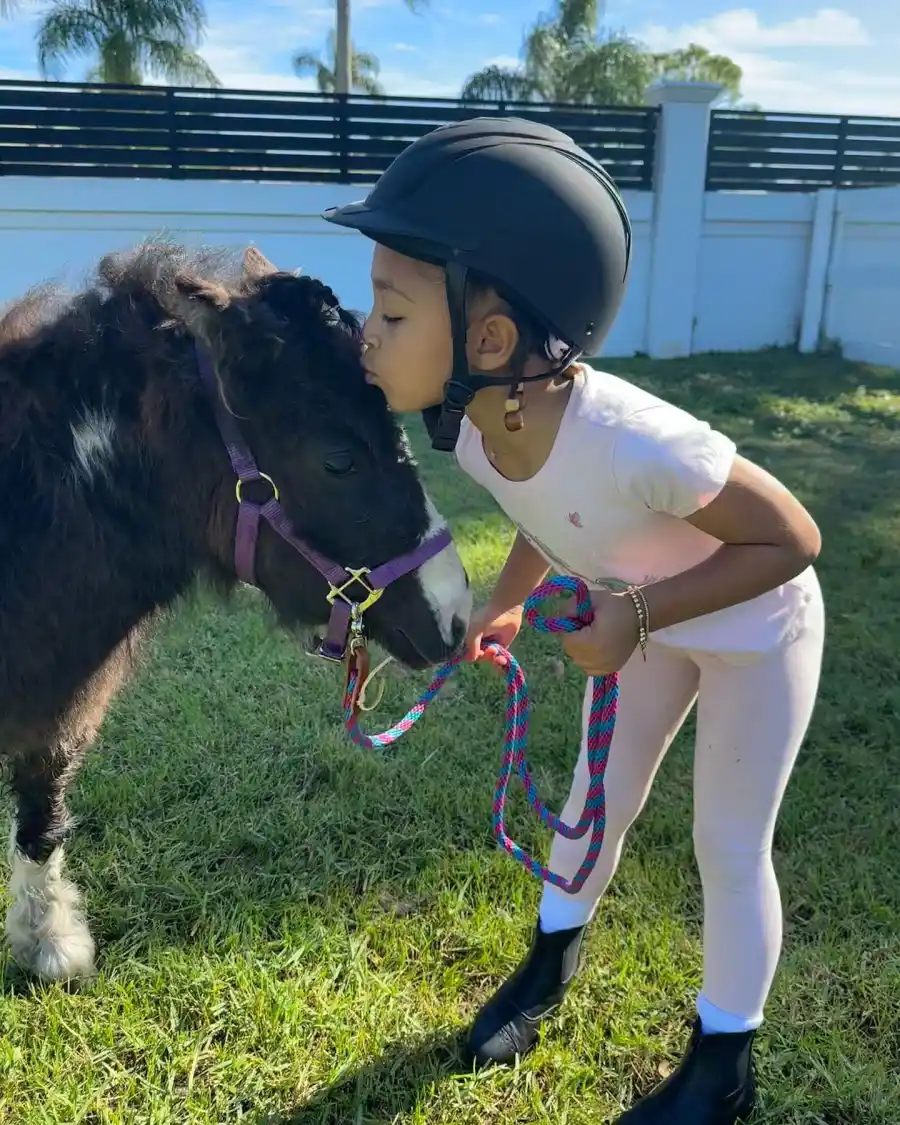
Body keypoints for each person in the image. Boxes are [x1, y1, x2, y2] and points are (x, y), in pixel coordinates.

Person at [322, 116, 825, 1124]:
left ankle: (723, 1068)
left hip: (753, 628)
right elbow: (547, 512)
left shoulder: (646, 444)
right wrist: (505, 600)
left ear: (491, 339)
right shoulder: (473, 429)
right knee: (600, 799)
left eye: (389, 311)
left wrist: (635, 613)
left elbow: (793, 539)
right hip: (633, 621)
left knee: (728, 843)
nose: (366, 333)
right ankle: (549, 966)